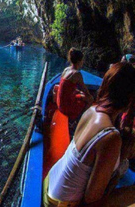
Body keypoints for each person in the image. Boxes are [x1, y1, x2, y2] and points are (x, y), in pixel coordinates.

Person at [44, 62, 135, 207]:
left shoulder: (92, 111)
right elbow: (92, 200)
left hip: (49, 184)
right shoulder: (111, 137)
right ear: (130, 98)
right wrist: (120, 165)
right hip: (60, 203)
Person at [57, 48, 95, 136]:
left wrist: (78, 92)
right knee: (90, 99)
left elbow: (66, 87)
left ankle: (75, 120)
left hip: (60, 103)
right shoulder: (77, 74)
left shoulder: (66, 70)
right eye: (82, 60)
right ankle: (77, 121)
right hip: (66, 106)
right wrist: (85, 95)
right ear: (79, 61)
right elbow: (86, 92)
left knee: (81, 95)